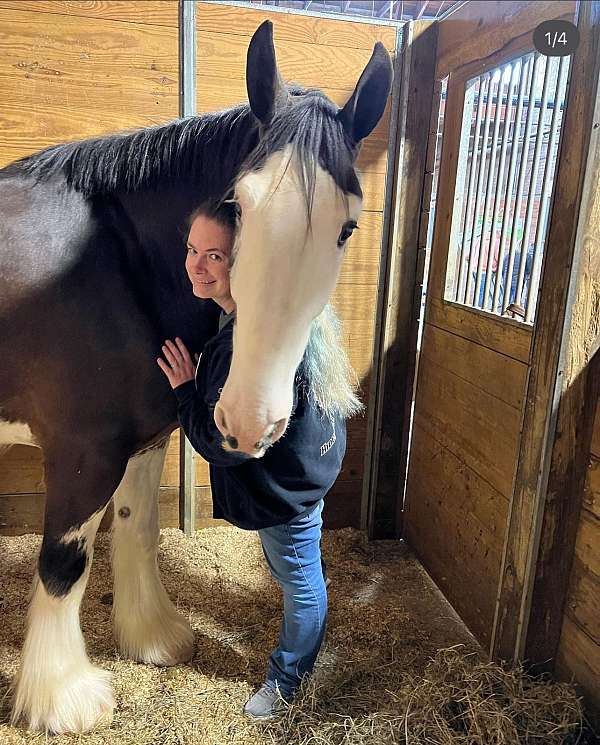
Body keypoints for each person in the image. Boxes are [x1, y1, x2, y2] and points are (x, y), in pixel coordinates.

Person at [157, 202, 360, 720]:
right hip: (303, 469)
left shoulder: (244, 342)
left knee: (300, 578)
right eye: (191, 250)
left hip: (286, 486)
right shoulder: (254, 310)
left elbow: (222, 444)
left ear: (243, 262)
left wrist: (184, 391)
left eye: (214, 256)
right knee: (293, 564)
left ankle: (289, 678)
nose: (195, 266)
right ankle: (305, 626)